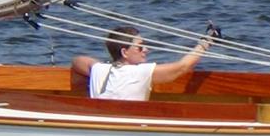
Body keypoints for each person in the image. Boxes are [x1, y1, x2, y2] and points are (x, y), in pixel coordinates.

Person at [71, 25, 214, 101]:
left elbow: (78, 61)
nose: (146, 49)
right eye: (140, 47)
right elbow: (182, 67)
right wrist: (206, 42)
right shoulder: (138, 72)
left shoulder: (99, 69)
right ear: (124, 53)